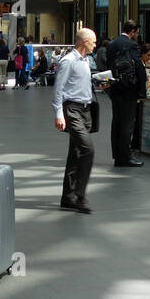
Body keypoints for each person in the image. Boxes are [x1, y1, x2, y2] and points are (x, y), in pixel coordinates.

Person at [54, 27, 98, 213]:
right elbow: (58, 89)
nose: (95, 45)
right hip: (72, 110)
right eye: (93, 42)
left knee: (76, 153)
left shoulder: (86, 60)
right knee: (88, 149)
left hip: (85, 110)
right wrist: (59, 114)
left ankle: (68, 197)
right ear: (84, 42)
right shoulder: (68, 61)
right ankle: (80, 195)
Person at [106, 21, 144, 168]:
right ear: (132, 31)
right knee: (127, 123)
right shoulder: (132, 45)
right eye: (137, 32)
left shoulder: (112, 44)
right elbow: (138, 66)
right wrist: (142, 87)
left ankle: (117, 155)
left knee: (117, 121)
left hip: (115, 88)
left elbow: (108, 66)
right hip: (129, 89)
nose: (137, 35)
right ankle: (126, 157)